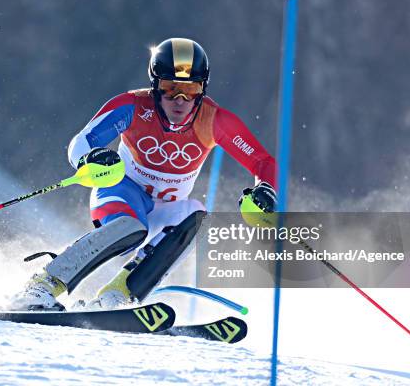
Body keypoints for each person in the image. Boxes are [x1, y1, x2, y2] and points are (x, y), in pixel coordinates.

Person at [14, 38, 277, 311]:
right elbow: (82, 141)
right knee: (131, 228)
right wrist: (88, 158)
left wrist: (266, 190)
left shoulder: (215, 120)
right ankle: (43, 285)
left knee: (198, 218)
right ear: (155, 86)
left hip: (166, 209)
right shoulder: (133, 106)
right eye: (169, 88)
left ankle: (116, 297)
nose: (180, 100)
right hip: (121, 194)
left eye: (190, 89)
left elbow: (263, 162)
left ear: (203, 88)